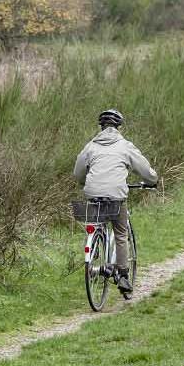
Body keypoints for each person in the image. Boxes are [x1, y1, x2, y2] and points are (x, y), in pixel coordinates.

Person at [73, 109, 159, 296]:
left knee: (96, 223)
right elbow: (144, 169)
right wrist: (152, 180)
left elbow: (78, 173)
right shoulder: (125, 146)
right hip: (116, 196)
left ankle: (95, 255)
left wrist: (84, 182)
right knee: (120, 233)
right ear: (119, 127)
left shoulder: (90, 146)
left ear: (101, 127)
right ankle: (122, 275)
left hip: (93, 194)